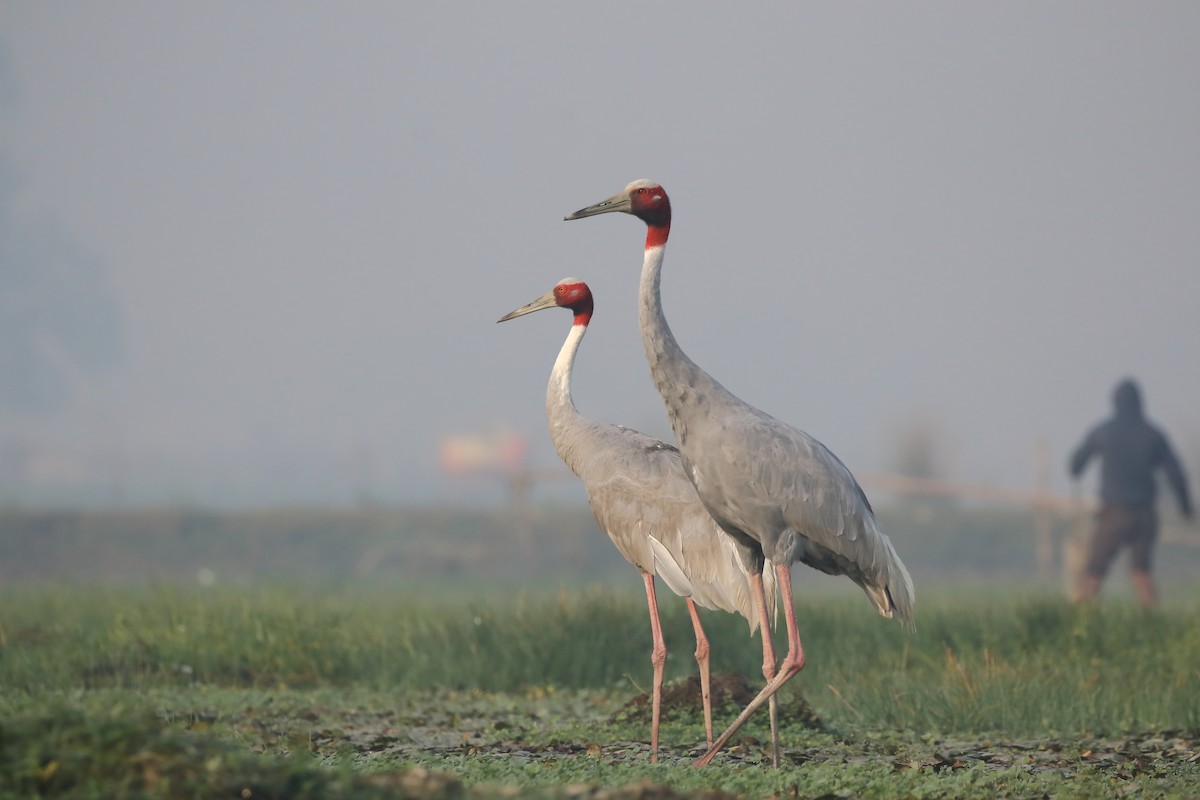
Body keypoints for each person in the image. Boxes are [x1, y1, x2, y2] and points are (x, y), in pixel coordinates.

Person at [1069, 378, 1193, 606]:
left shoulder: (1104, 431)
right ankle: (1152, 620)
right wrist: (1186, 507)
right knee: (1141, 572)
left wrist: (1075, 470)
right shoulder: (1153, 434)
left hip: (1114, 513)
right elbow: (1176, 474)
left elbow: (1076, 463)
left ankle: (1078, 620)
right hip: (1145, 515)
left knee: (1093, 571)